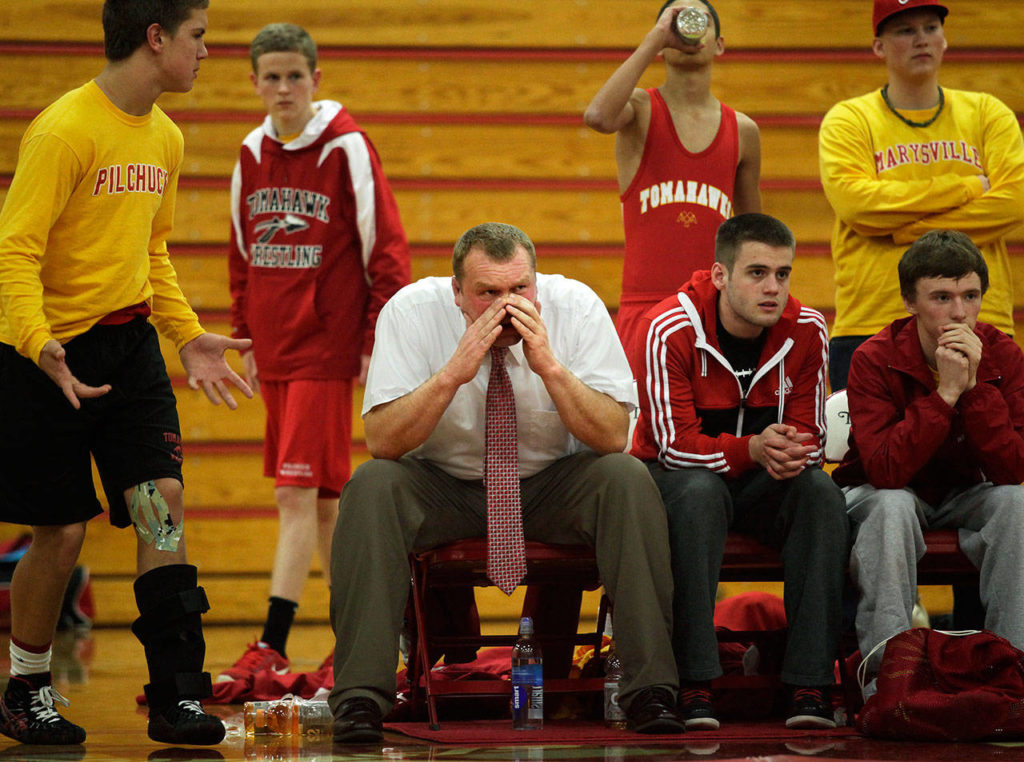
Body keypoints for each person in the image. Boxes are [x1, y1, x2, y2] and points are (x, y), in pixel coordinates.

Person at [0, 0, 253, 747]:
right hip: (45, 356)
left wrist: (185, 336)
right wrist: (38, 342)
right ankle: (26, 688)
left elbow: (152, 252)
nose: (206, 52)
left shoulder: (165, 138)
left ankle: (176, 695)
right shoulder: (65, 129)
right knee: (62, 534)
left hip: (128, 346)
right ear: (156, 38)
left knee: (159, 501)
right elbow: (14, 250)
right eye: (198, 37)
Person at [327, 222, 685, 742]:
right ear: (457, 293)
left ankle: (649, 688)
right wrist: (454, 371)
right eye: (487, 293)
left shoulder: (577, 308)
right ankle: (361, 698)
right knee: (370, 486)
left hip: (551, 486)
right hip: (442, 486)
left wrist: (550, 368)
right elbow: (383, 440)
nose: (507, 304)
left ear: (536, 283)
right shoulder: (410, 310)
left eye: (519, 290)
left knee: (625, 479)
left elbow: (613, 435)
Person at [222, 22, 410, 681]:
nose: (282, 88)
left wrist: (373, 342)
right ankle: (355, 637)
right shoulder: (249, 152)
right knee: (324, 500)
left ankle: (272, 640)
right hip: (273, 350)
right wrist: (244, 335)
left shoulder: (347, 147)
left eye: (293, 76)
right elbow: (241, 254)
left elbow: (385, 250)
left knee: (293, 496)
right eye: (269, 77)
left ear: (315, 79)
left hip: (326, 350)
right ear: (253, 83)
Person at [632, 213, 850, 730]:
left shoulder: (808, 329)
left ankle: (810, 684)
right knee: (699, 493)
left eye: (782, 273)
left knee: (820, 494)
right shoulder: (670, 327)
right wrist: (752, 448)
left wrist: (789, 453)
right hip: (675, 483)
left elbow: (811, 440)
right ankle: (696, 683)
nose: (772, 287)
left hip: (757, 482)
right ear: (720, 275)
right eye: (756, 273)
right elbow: (674, 447)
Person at [833, 229, 1024, 691]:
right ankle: (888, 677)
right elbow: (885, 471)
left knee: (1018, 505)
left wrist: (976, 390)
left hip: (965, 492)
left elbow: (1013, 469)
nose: (959, 312)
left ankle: (1012, 670)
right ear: (910, 302)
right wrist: (947, 393)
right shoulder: (872, 358)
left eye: (971, 296)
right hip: (882, 492)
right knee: (892, 507)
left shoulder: (1003, 354)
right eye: (942, 296)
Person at [818, 0, 1024, 391]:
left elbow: (1014, 203)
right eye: (905, 31)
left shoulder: (987, 113)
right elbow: (859, 207)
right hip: (872, 320)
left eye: (931, 27)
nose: (921, 40)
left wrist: (902, 230)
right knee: (875, 452)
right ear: (879, 46)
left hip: (981, 320)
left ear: (945, 40)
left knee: (992, 449)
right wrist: (965, 187)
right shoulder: (849, 120)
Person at [584, 0, 761, 376]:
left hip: (716, 314)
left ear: (720, 45)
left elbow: (755, 238)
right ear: (663, 41)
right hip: (644, 311)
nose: (688, 28)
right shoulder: (639, 110)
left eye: (700, 21)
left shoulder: (743, 131)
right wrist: (655, 37)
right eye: (676, 23)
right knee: (642, 434)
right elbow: (597, 116)